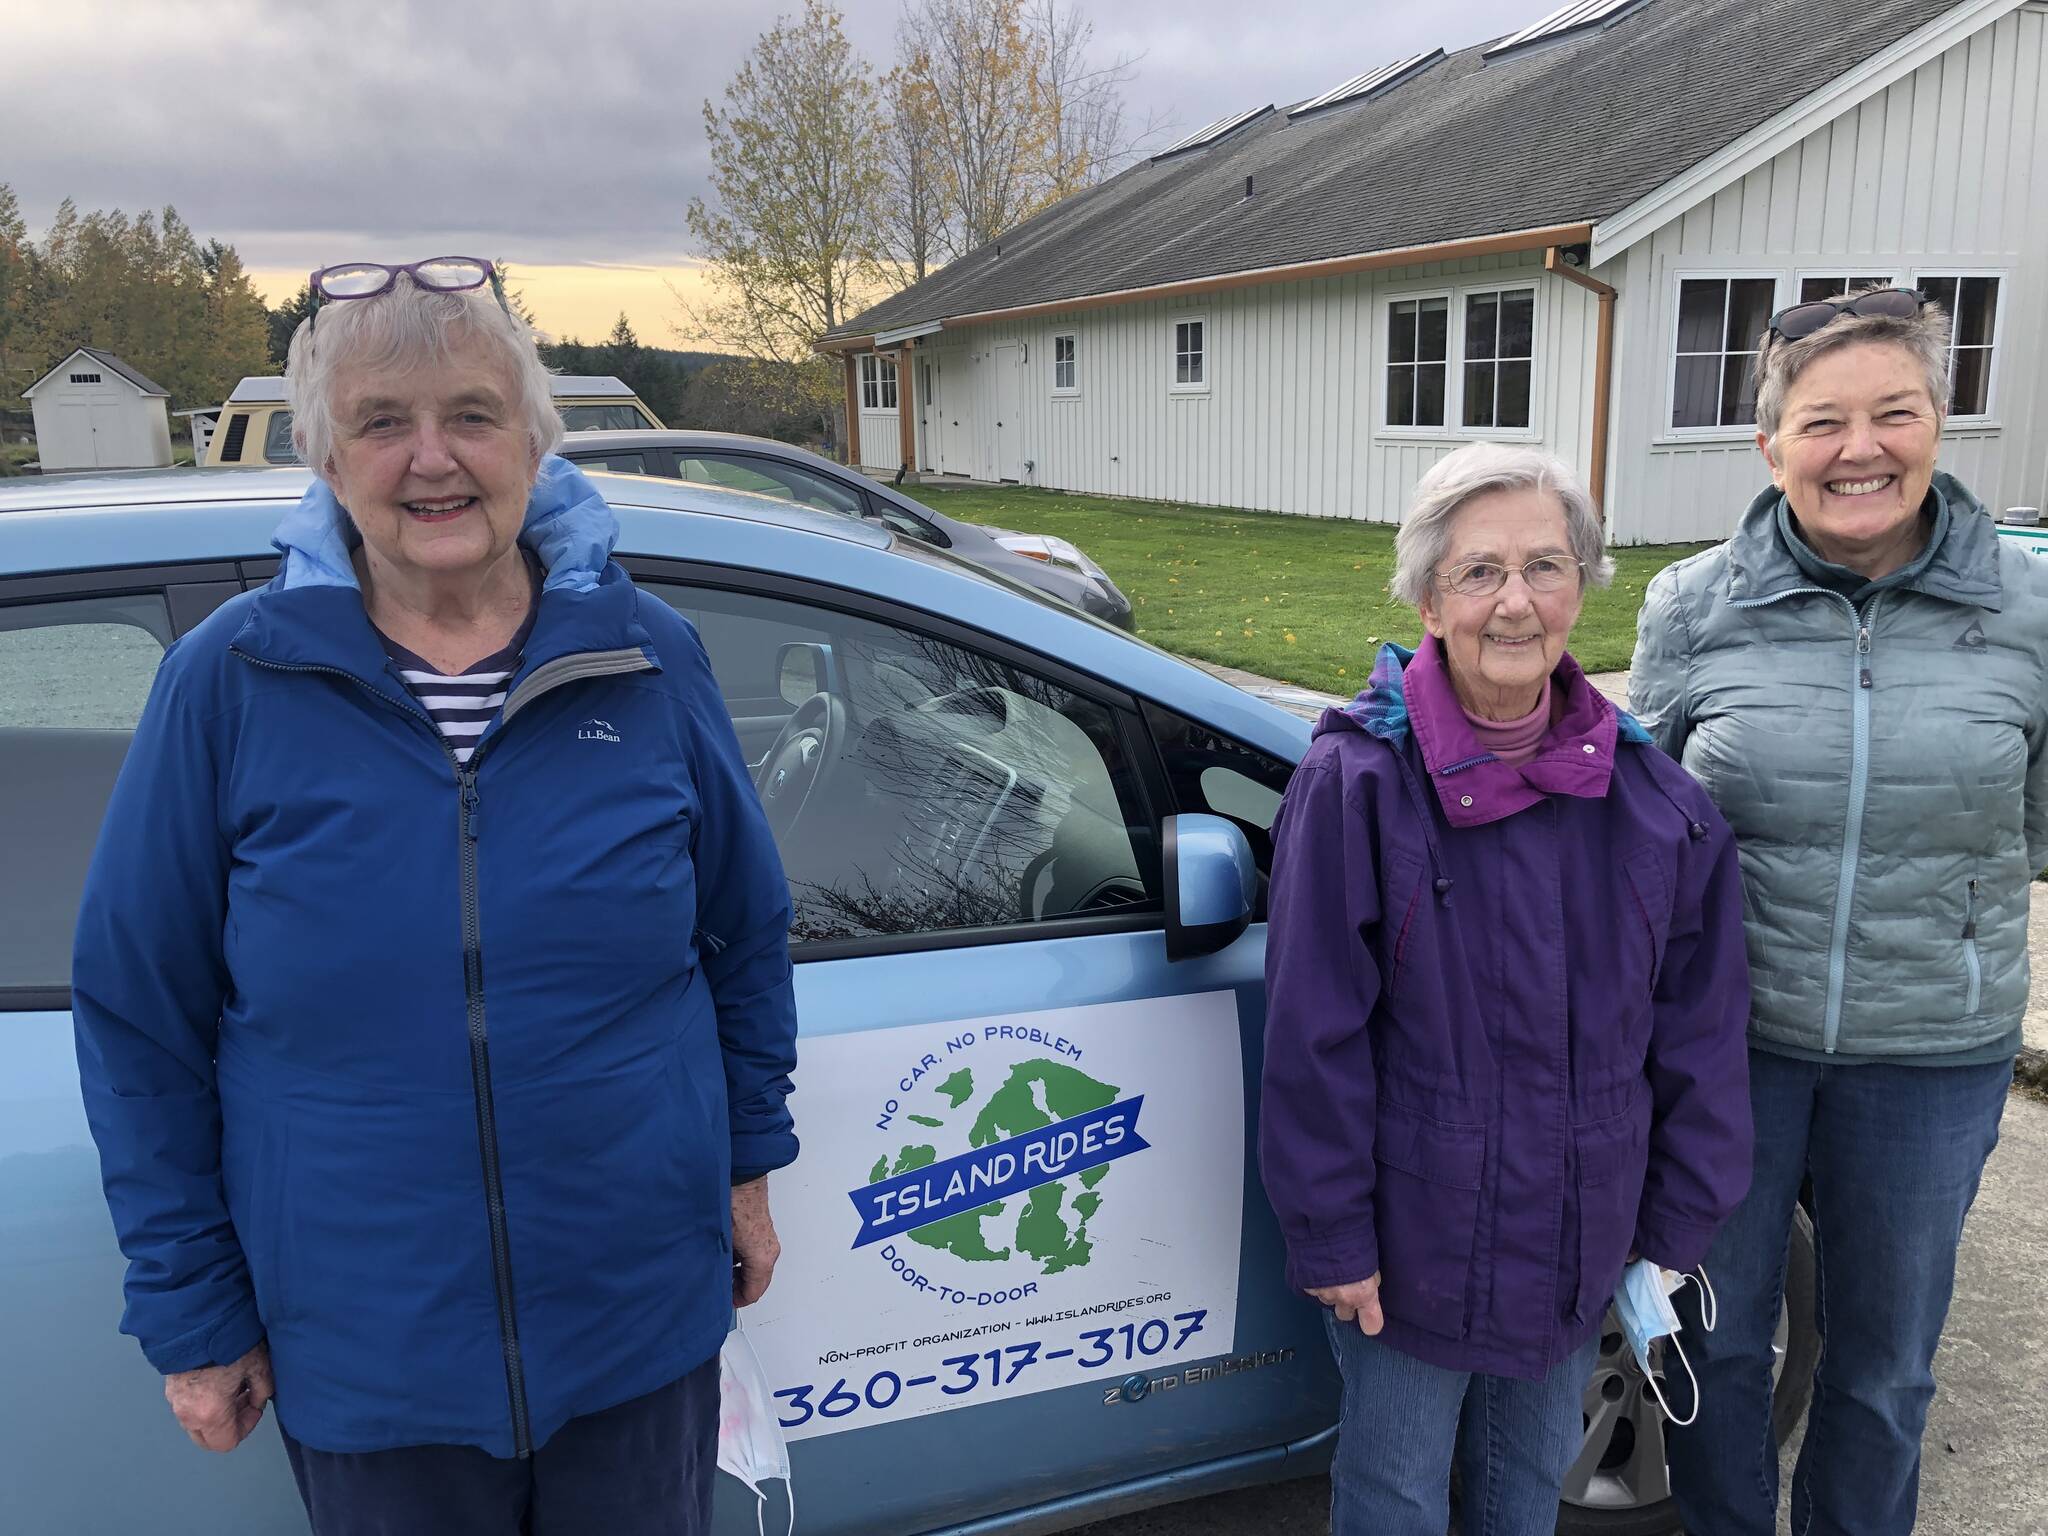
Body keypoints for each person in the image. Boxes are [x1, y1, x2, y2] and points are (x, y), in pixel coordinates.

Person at [71, 257, 799, 1536]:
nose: (432, 460)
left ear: (532, 440)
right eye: (381, 422)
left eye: (470, 413)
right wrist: (193, 1315)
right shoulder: (227, 685)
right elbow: (139, 1014)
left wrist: (745, 1172)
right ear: (326, 459)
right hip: (367, 1355)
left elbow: (742, 936)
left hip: (635, 1327)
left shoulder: (647, 661)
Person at [1259, 443, 1754, 1536]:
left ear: (1582, 586)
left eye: (1544, 566)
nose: (1514, 602)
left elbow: (1701, 1033)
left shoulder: (1655, 804)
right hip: (1410, 1250)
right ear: (1429, 599)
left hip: (1578, 1238)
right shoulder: (1355, 786)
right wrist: (1332, 1236)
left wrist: (1675, 1213)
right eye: (1479, 572)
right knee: (1392, 1496)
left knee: (1524, 1490)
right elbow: (1311, 1037)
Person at [1635, 285, 2048, 1536]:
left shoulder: (2026, 614)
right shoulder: (1693, 605)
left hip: (1929, 1054)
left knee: (1881, 1374)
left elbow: (2031, 826)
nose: (1857, 448)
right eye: (1820, 422)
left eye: (1893, 412)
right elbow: (1636, 831)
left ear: (1939, 424)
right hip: (1726, 1054)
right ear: (1769, 447)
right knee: (1715, 1350)